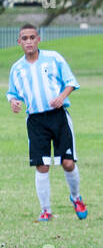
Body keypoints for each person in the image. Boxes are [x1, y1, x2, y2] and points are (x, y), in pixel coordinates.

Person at [7, 24, 87, 222]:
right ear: (19, 42)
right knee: (42, 165)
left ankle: (76, 198)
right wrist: (13, 102)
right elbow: (12, 93)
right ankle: (46, 210)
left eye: (32, 37)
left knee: (68, 163)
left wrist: (61, 97)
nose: (29, 41)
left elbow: (71, 81)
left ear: (38, 39)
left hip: (58, 116)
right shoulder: (17, 68)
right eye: (24, 38)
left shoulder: (54, 58)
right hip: (35, 121)